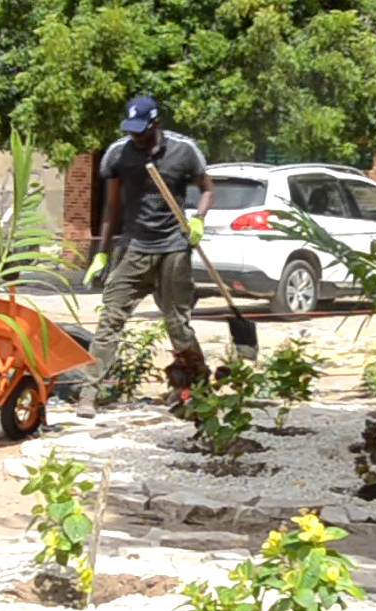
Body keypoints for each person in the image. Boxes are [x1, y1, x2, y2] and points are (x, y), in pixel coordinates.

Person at [77, 96, 214, 418]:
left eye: (141, 130)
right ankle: (88, 394)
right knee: (110, 318)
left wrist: (197, 219)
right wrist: (102, 255)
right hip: (134, 248)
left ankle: (198, 390)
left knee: (177, 324)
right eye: (131, 130)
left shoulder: (184, 151)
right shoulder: (118, 154)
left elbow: (207, 188)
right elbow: (112, 206)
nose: (135, 137)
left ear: (156, 123)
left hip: (173, 250)